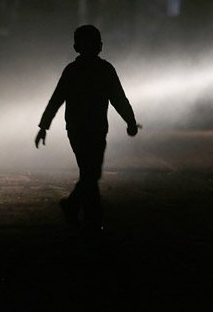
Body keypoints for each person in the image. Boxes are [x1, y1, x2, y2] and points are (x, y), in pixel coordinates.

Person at [35, 25, 138, 235]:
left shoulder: (72, 71)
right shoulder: (105, 70)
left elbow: (56, 100)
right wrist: (130, 121)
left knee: (89, 173)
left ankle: (79, 211)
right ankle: (89, 220)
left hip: (77, 129)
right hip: (96, 129)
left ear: (76, 47)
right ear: (100, 46)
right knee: (91, 173)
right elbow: (118, 99)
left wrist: (44, 126)